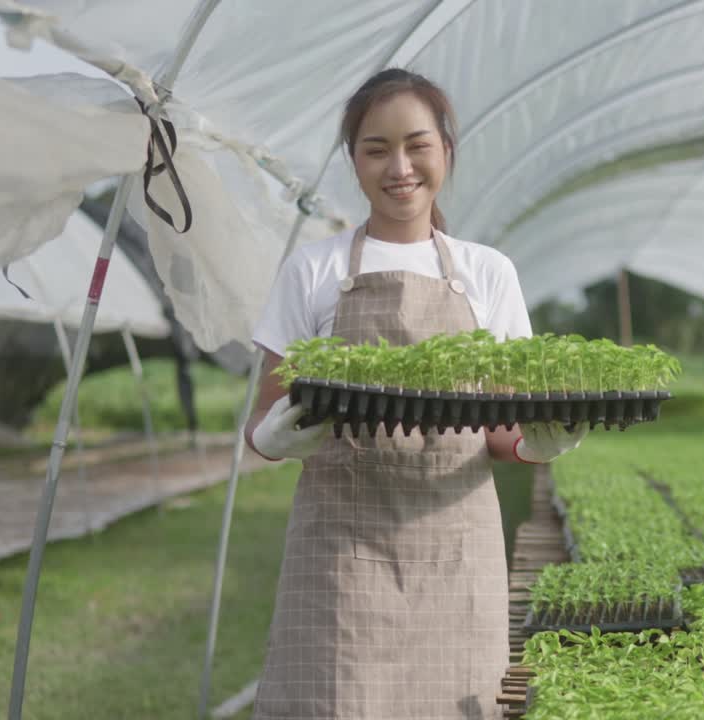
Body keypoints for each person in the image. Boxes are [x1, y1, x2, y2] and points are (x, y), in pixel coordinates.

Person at [245, 68, 590, 719]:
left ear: (447, 152)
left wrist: (542, 441)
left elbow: (501, 430)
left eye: (416, 144)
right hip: (343, 546)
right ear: (354, 161)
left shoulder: (487, 272)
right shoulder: (312, 271)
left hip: (454, 545)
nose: (398, 166)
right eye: (376, 148)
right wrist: (275, 436)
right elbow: (263, 415)